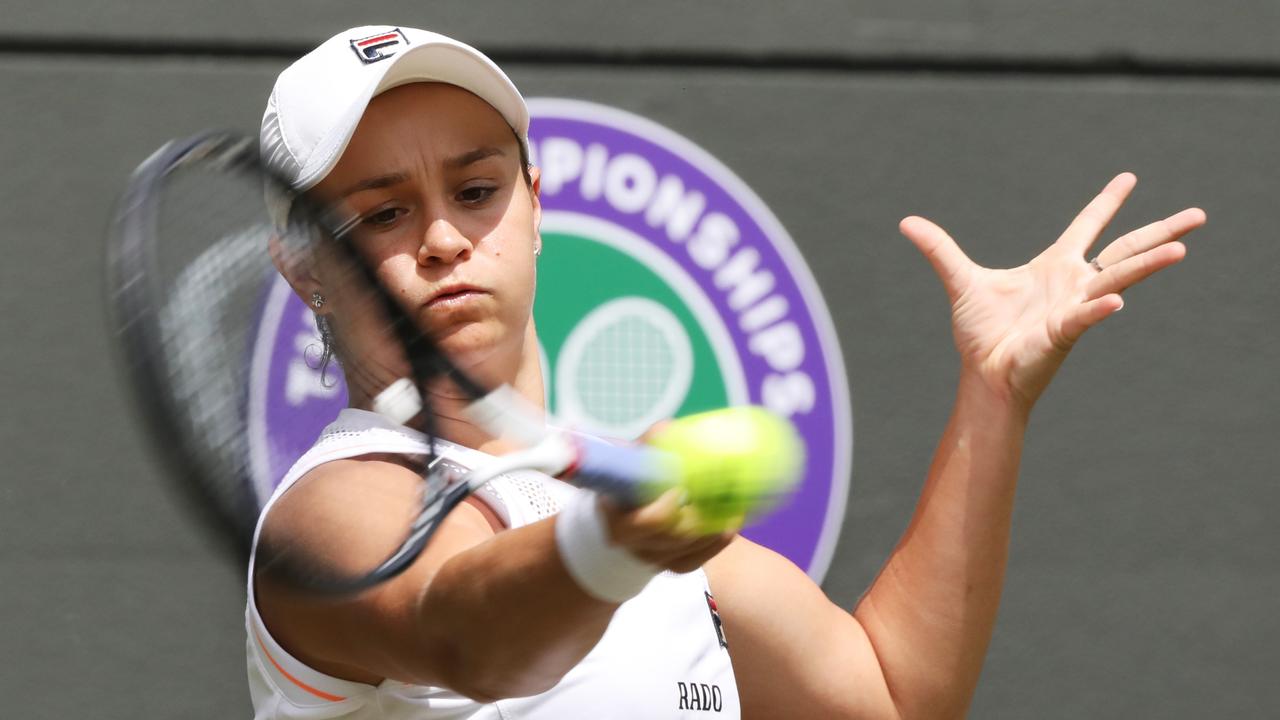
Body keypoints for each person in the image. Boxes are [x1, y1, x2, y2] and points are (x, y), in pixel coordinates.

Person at [247, 25, 1205, 719]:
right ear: (304, 269)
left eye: (476, 190)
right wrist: (612, 544)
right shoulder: (333, 511)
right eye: (380, 215)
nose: (446, 238)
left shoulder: (620, 512)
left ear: (536, 206)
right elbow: (463, 637)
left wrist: (994, 396)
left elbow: (891, 700)